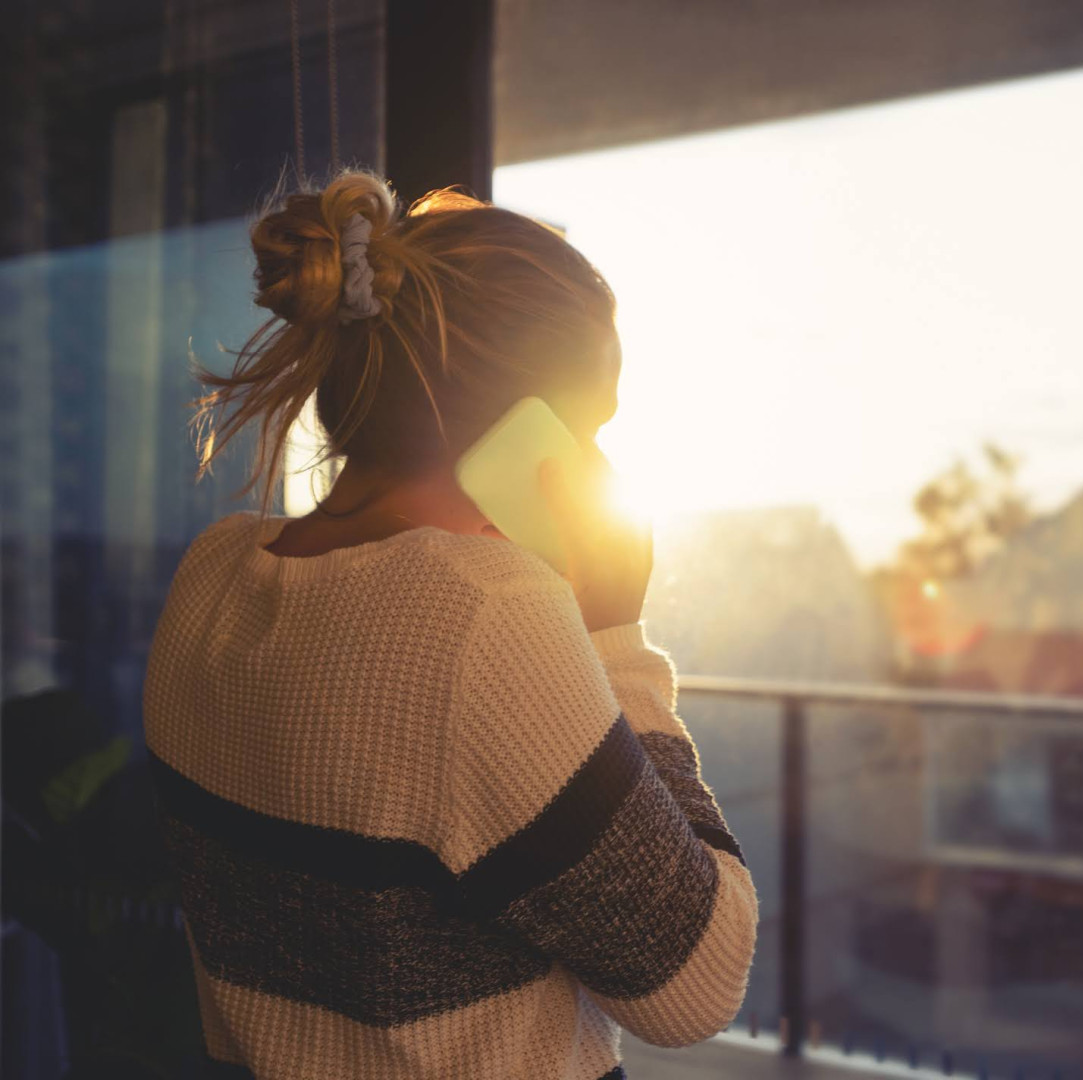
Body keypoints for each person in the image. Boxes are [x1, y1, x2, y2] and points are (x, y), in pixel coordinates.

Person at [143, 172, 757, 1079]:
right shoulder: (484, 616)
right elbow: (696, 982)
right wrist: (613, 637)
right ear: (530, 430)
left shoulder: (212, 574)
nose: (596, 461)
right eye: (588, 427)